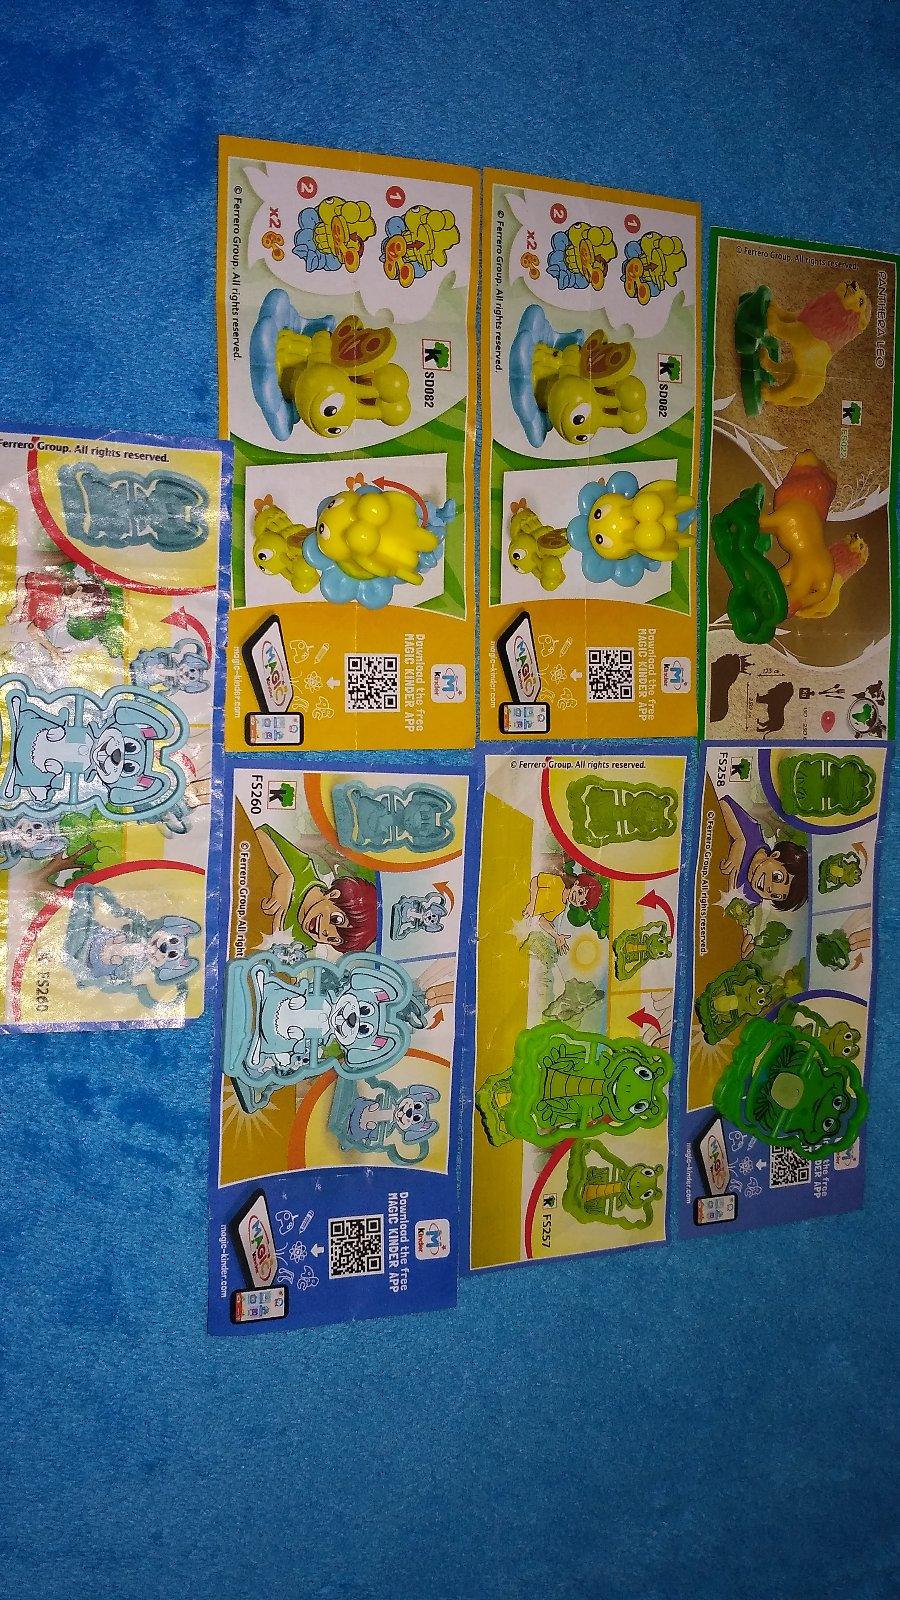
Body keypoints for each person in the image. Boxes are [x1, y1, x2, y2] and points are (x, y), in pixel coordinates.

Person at [256, 825, 377, 951]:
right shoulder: (303, 870)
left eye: (333, 940)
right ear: (333, 894)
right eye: (336, 919)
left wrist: (275, 940)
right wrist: (284, 875)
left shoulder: (302, 942)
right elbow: (261, 833)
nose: (326, 933)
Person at [719, 797, 809, 910]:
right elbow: (723, 803)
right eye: (777, 877)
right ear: (775, 855)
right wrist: (739, 840)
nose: (770, 889)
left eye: (776, 896)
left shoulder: (752, 898)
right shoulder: (752, 835)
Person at [523, 869, 603, 954]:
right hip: (523, 894)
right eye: (580, 892)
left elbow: (543, 921)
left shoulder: (561, 907)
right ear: (576, 883)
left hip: (523, 913)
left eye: (582, 902)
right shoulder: (558, 882)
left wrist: (557, 936)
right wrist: (532, 903)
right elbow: (535, 881)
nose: (578, 899)